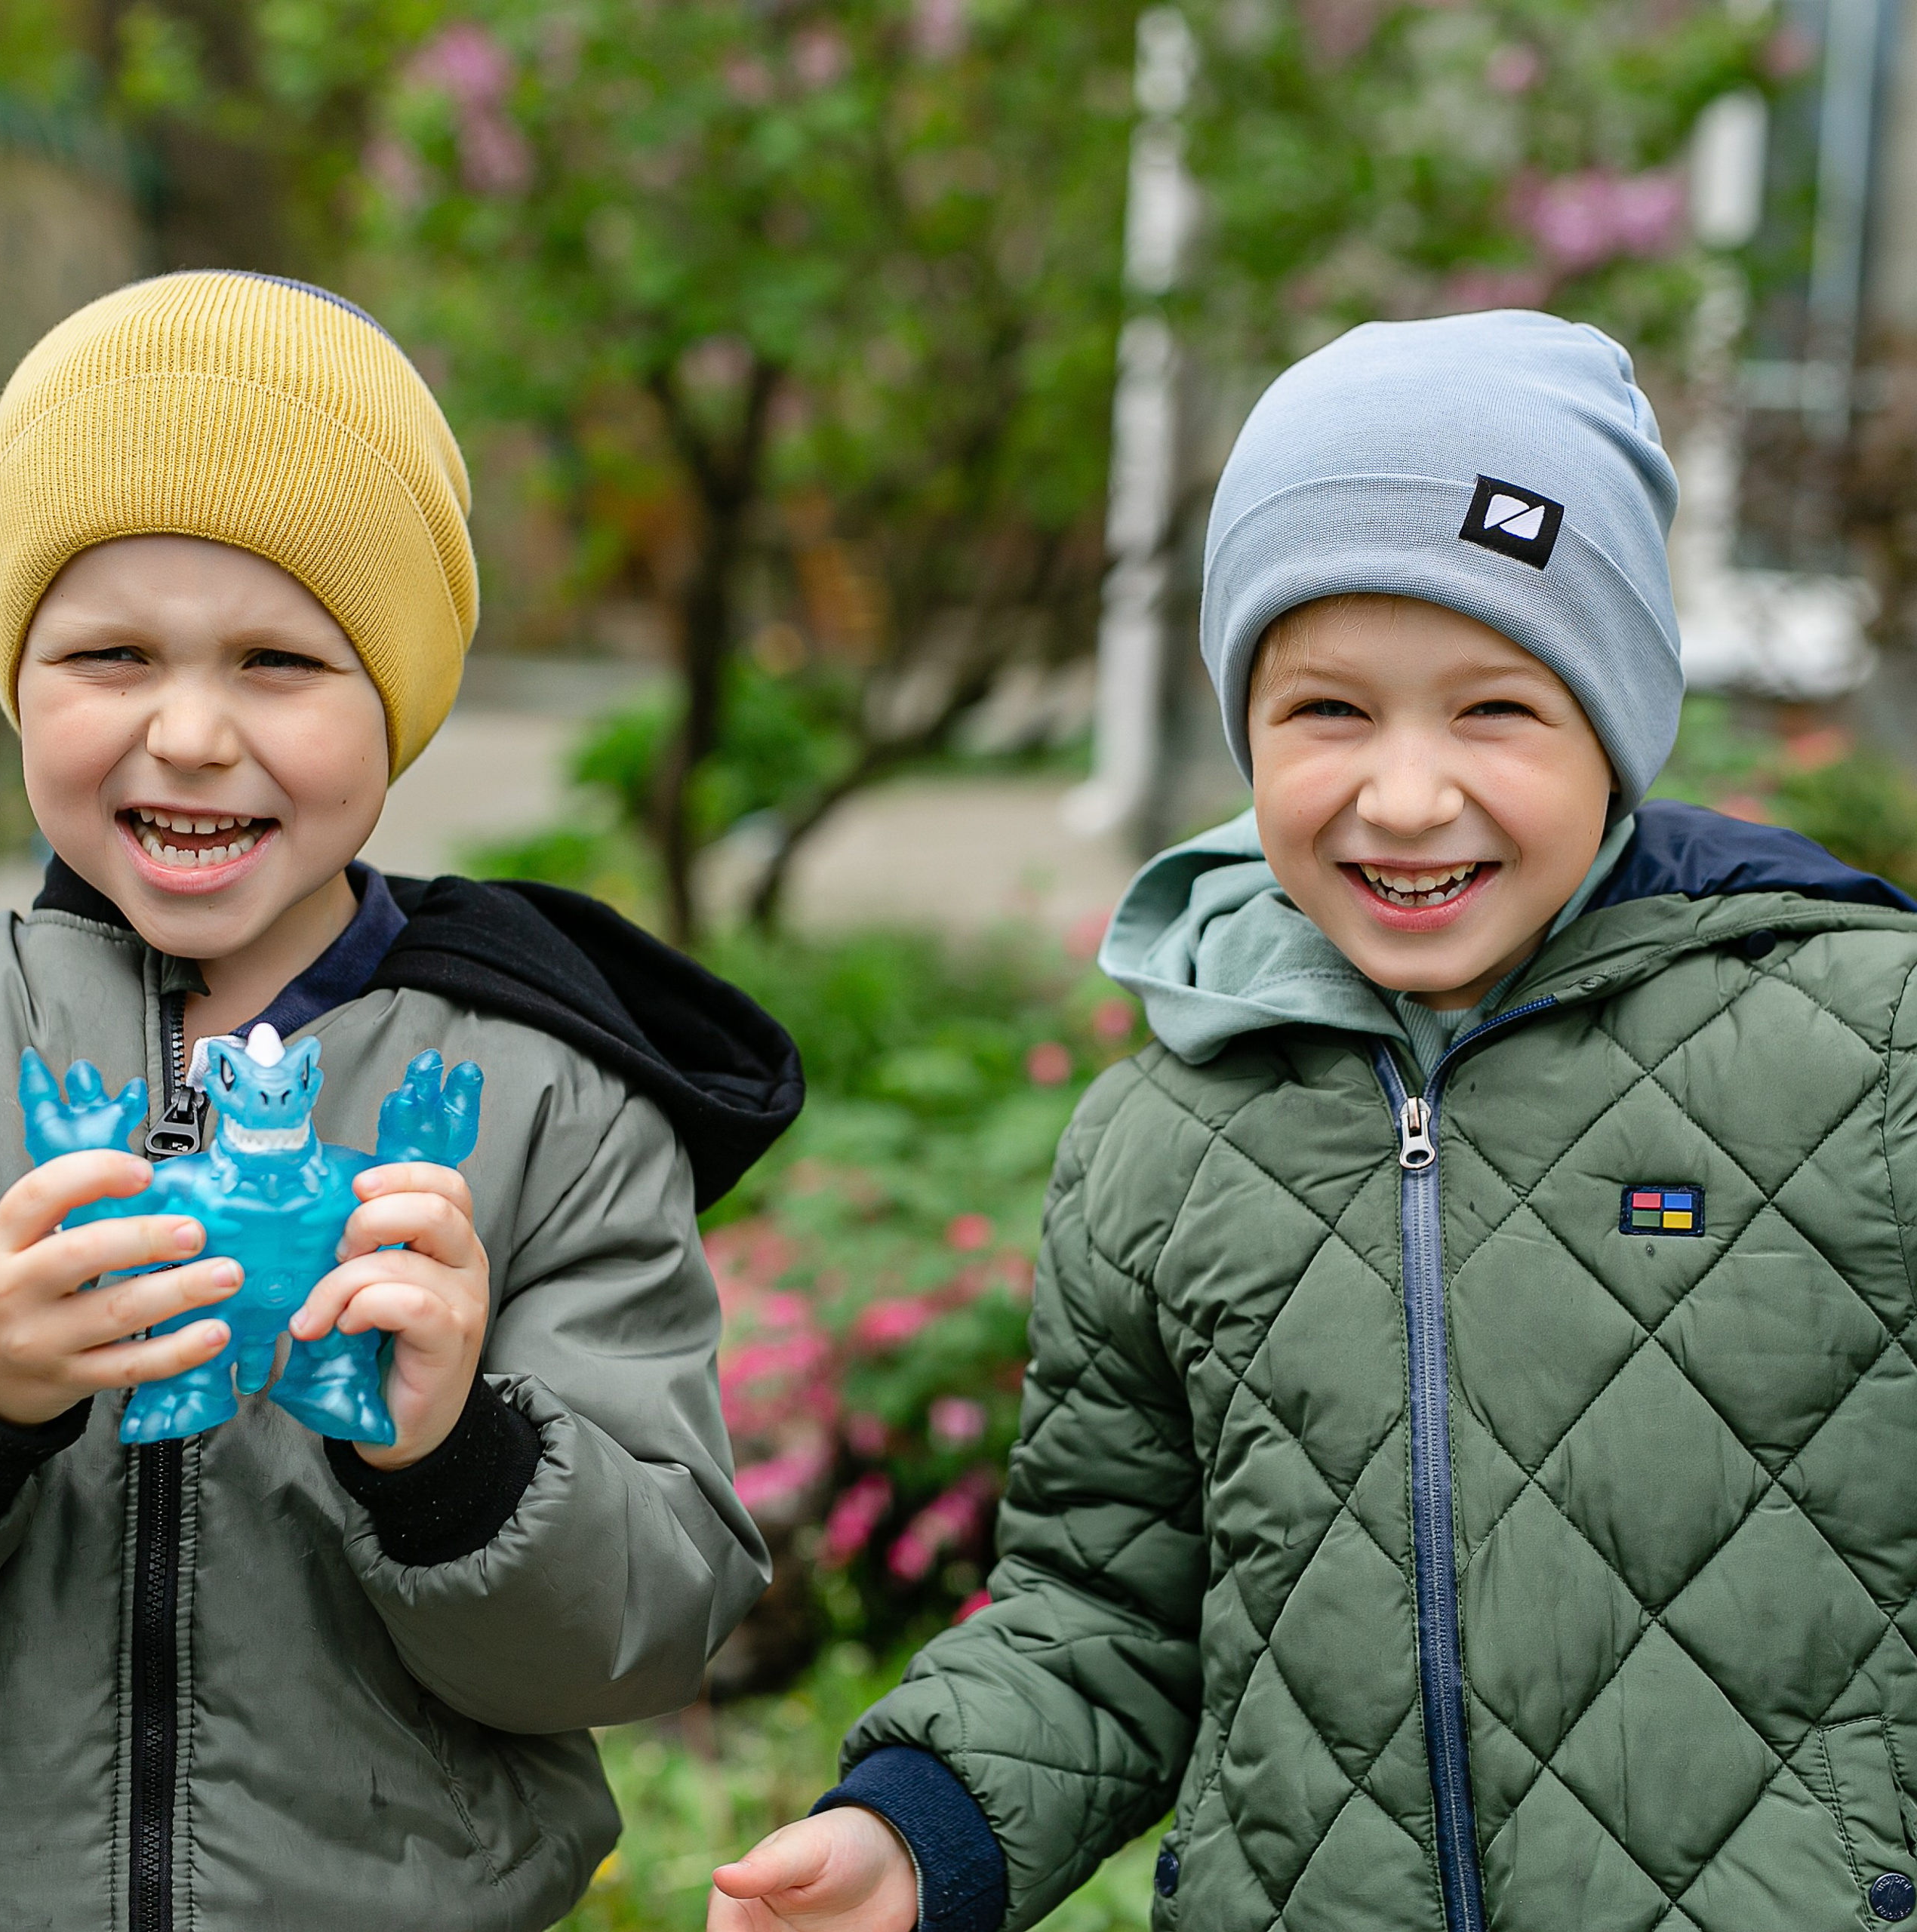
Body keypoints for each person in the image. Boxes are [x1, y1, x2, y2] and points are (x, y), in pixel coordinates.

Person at [709, 309, 1917, 1932]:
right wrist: (916, 1832)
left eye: (1492, 710)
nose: (1403, 795)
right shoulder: (1165, 1134)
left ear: (1614, 725)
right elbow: (1103, 1606)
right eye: (1326, 711)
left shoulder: (1859, 1048)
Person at [0, 270, 798, 1932]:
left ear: (404, 694)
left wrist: (453, 1460)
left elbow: (650, 1625)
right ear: (13, 667)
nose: (190, 730)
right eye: (111, 651)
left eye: (281, 659)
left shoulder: (545, 1091)